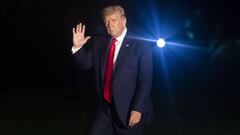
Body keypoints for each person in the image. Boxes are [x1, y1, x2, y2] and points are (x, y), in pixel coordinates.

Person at [72, 5, 154, 135]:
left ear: (123, 21)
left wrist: (137, 108)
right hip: (105, 109)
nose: (109, 25)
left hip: (129, 110)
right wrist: (77, 48)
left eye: (113, 20)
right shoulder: (100, 42)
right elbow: (85, 63)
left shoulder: (140, 45)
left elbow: (145, 81)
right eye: (106, 21)